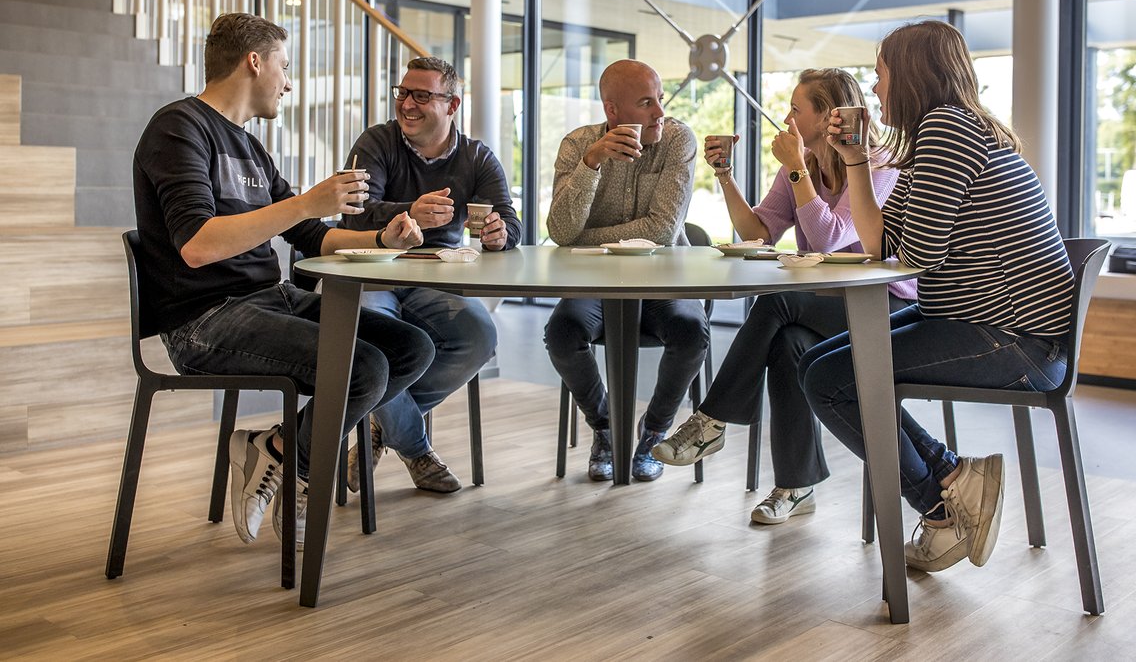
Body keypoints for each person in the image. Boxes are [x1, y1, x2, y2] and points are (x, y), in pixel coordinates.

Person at [132, 13, 435, 549]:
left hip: (271, 300)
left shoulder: (250, 146)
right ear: (255, 61)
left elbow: (313, 236)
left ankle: (275, 450)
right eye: (285, 65)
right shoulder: (178, 128)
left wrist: (382, 241)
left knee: (409, 346)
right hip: (202, 319)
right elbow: (198, 245)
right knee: (363, 366)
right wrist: (306, 201)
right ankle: (291, 463)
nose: (289, 81)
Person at [802, 20, 1075, 572]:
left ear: (908, 75)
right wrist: (855, 159)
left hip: (1014, 341)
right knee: (817, 366)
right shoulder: (942, 133)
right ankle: (954, 482)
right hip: (984, 326)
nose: (875, 91)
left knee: (830, 381)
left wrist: (861, 172)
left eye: (880, 75)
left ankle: (942, 505)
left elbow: (915, 256)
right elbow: (883, 242)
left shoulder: (948, 130)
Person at [651, 68, 915, 524]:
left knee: (777, 302)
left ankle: (711, 420)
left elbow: (829, 237)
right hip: (826, 303)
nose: (787, 119)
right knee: (789, 343)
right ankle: (796, 485)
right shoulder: (804, 167)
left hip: (885, 306)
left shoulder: (877, 166)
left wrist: (795, 169)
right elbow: (758, 232)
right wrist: (725, 176)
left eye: (796, 109)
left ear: (828, 116)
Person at [339, 56, 521, 494]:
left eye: (422, 95)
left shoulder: (476, 157)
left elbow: (512, 222)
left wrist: (499, 234)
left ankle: (382, 424)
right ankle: (417, 449)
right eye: (403, 93)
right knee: (374, 340)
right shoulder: (377, 142)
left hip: (434, 277)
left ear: (452, 104)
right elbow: (352, 213)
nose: (407, 104)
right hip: (374, 271)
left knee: (480, 336)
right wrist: (407, 211)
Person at [544, 59, 709, 482]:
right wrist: (591, 164)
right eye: (645, 103)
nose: (659, 112)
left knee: (692, 334)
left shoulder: (677, 141)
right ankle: (604, 428)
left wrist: (587, 237)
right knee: (562, 333)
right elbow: (561, 230)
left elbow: (662, 230)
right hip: (595, 284)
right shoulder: (578, 144)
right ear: (612, 111)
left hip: (663, 281)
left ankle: (653, 431)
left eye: (660, 100)